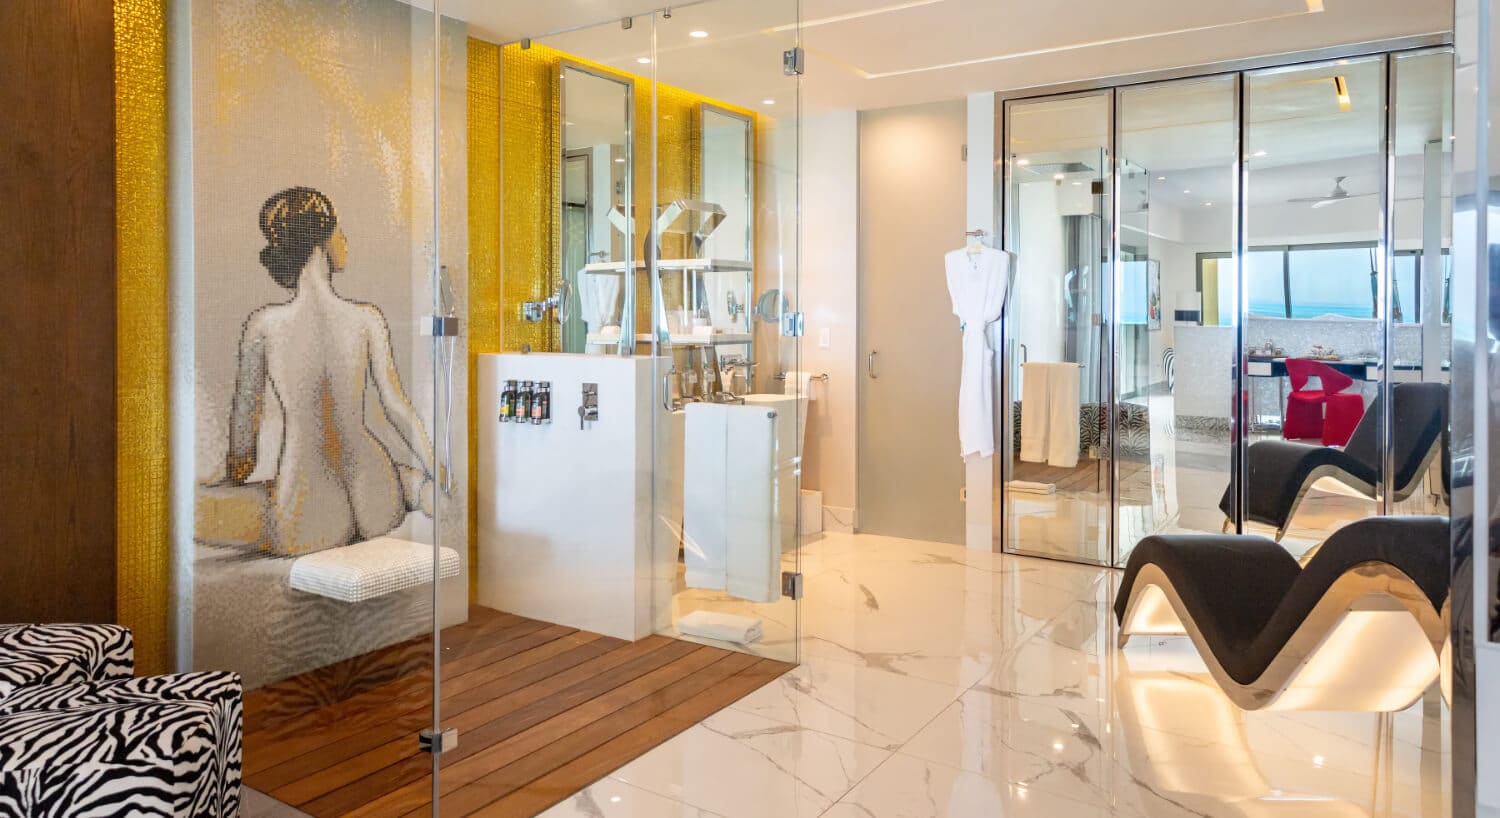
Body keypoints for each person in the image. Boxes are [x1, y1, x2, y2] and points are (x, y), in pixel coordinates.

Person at [206, 187, 436, 554]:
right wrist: (439, 469)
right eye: (340, 233)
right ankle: (416, 488)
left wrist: (225, 479)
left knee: (196, 508)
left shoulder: (264, 325)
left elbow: (243, 448)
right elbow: (397, 407)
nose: (345, 241)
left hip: (309, 507)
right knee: (407, 476)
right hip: (377, 497)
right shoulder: (367, 319)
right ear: (324, 240)